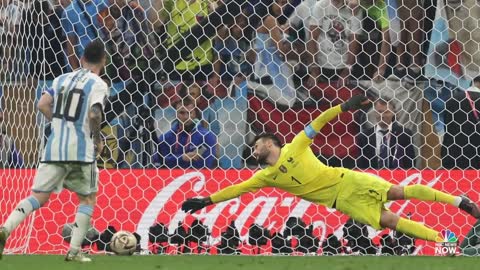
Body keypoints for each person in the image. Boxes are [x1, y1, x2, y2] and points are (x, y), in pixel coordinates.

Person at [181, 95, 480, 244]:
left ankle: (459, 202)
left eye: (256, 145)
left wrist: (344, 108)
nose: (253, 149)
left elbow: (320, 122)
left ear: (270, 143)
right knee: (390, 220)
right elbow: (236, 190)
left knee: (399, 192)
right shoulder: (265, 176)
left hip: (347, 179)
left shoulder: (296, 145)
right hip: (342, 201)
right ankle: (445, 242)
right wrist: (207, 200)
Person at [0, 40, 108, 262]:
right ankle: (74, 252)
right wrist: (97, 138)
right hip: (80, 150)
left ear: (81, 58)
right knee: (87, 199)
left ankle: (5, 229)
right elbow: (95, 114)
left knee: (38, 197)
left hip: (54, 148)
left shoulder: (61, 79)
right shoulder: (98, 83)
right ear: (103, 61)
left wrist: (58, 123)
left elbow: (42, 104)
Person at [154, 97, 217, 169]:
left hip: (197, 178)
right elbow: (158, 162)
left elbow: (205, 165)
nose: (186, 117)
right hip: (171, 179)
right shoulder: (165, 137)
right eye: (182, 112)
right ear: (176, 114)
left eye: (190, 113)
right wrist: (182, 158)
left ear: (195, 114)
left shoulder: (207, 136)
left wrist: (172, 160)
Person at [356, 98, 415, 169]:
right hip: (372, 177)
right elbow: (362, 164)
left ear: (393, 113)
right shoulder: (365, 136)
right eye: (379, 112)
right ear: (374, 112)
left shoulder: (404, 134)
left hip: (396, 177)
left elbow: (410, 163)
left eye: (386, 112)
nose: (382, 116)